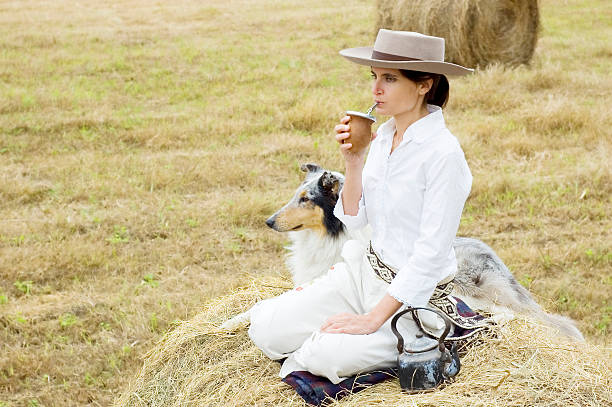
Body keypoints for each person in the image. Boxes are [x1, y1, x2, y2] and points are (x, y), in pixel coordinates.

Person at [248, 29, 474, 384]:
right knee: (266, 330)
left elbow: (430, 256)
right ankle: (334, 339)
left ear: (423, 85)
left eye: (389, 79)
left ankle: (422, 343)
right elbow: (354, 217)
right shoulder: (384, 138)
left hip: (412, 301)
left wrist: (371, 320)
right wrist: (354, 160)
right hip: (363, 274)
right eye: (374, 77)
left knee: (323, 354)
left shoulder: (443, 156)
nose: (375, 90)